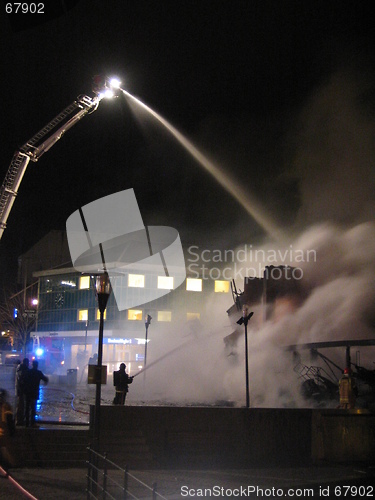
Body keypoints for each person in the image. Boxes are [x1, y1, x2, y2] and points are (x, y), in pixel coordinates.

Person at [24, 360, 49, 427]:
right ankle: (32, 423)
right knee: (33, 408)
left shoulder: (28, 372)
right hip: (34, 393)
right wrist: (45, 383)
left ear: (32, 365)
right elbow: (45, 379)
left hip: (28, 392)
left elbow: (24, 381)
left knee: (27, 408)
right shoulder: (38, 373)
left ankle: (26, 423)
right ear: (37, 365)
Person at [15, 357, 29, 426]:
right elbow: (23, 379)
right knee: (21, 406)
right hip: (21, 391)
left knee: (20, 406)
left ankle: (19, 420)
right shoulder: (23, 369)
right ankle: (19, 421)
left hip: (19, 390)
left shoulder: (19, 368)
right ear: (26, 363)